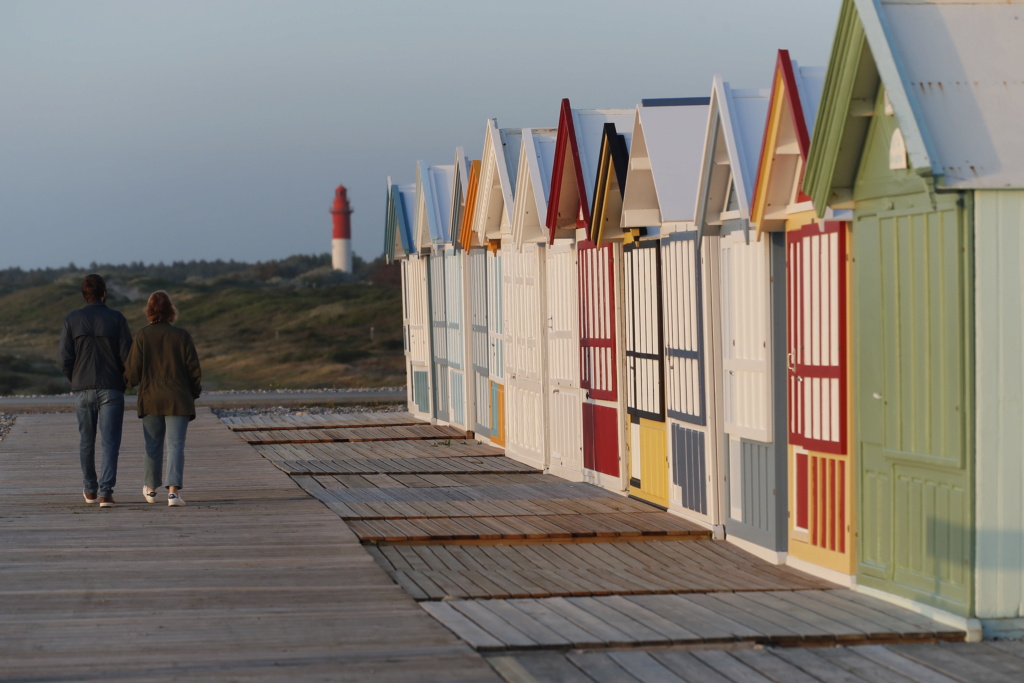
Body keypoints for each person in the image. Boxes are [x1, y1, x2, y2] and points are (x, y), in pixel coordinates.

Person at [59, 274, 133, 508]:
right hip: (111, 387)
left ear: (85, 295)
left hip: (82, 388)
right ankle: (105, 493)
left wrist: (75, 378)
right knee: (110, 443)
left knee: (86, 441)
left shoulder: (72, 319)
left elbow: (64, 358)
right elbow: (127, 356)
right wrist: (125, 380)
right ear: (104, 293)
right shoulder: (117, 318)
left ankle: (90, 490)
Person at [123, 291, 202, 507]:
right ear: (171, 311)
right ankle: (173, 493)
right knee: (176, 445)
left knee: (153, 444)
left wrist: (125, 383)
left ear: (149, 311)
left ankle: (150, 489)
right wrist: (193, 393)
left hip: (150, 398)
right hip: (178, 398)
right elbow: (194, 370)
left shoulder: (142, 336)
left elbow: (132, 372)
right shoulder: (182, 336)